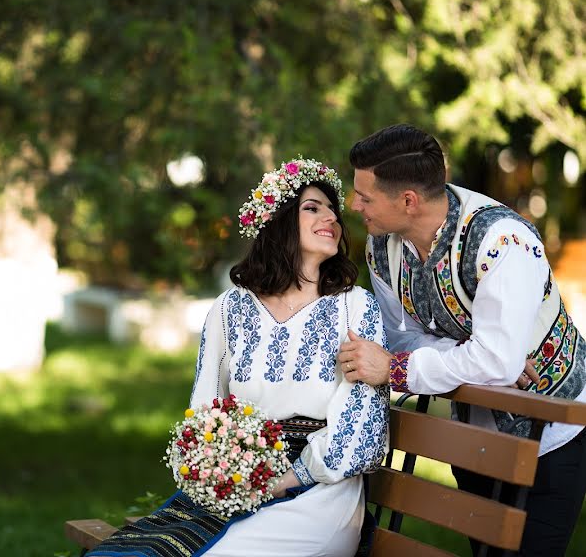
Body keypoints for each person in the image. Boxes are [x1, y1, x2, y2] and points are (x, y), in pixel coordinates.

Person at [87, 158, 390, 557]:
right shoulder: (231, 309)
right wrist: (214, 474)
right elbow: (203, 410)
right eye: (312, 207)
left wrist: (283, 478)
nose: (331, 217)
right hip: (236, 487)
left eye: (333, 209)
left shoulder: (355, 307)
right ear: (278, 222)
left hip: (319, 496)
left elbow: (362, 427)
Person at [338, 123, 586, 556]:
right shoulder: (383, 247)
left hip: (553, 430)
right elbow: (402, 337)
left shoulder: (502, 240)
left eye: (365, 196)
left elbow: (491, 363)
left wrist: (397, 369)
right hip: (473, 433)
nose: (353, 205)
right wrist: (471, 357)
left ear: (408, 201)